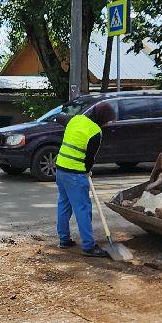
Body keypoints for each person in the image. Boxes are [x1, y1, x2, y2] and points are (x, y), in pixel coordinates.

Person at [54, 103, 115, 258]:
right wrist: (87, 171)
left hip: (60, 168)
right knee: (82, 209)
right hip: (75, 173)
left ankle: (64, 240)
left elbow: (59, 117)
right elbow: (89, 158)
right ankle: (88, 246)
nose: (106, 124)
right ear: (102, 119)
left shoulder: (75, 120)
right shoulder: (95, 132)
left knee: (64, 204)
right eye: (107, 121)